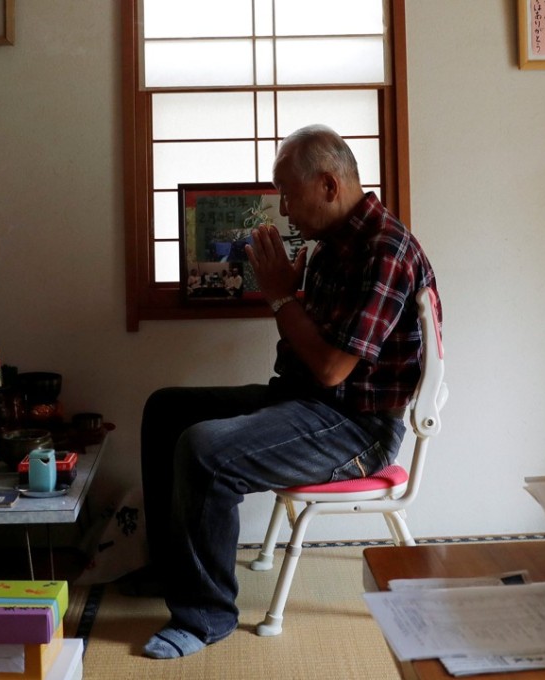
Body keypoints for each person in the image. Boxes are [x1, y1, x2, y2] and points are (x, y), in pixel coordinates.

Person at [131, 123, 439, 659]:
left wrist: (280, 299)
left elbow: (330, 369)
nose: (284, 211)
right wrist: (291, 297)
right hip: (307, 403)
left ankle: (205, 617)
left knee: (204, 450)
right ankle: (170, 569)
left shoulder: (384, 250)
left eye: (288, 195)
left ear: (327, 185)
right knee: (167, 410)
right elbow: (304, 354)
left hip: (357, 429)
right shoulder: (331, 246)